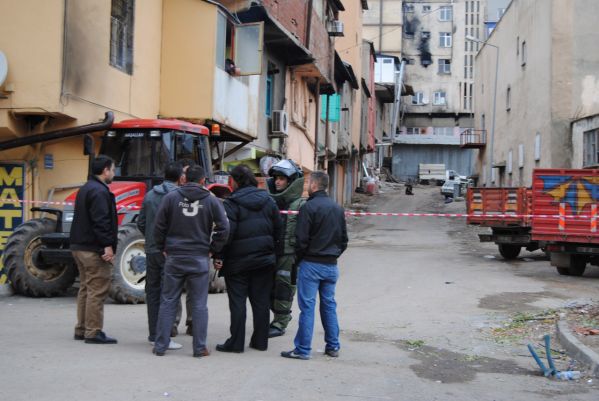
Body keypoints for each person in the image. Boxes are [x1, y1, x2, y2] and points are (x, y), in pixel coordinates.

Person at [152, 166, 229, 357]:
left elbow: (158, 226)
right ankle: (199, 347)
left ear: (184, 179)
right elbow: (224, 227)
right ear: (203, 180)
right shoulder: (211, 200)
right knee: (199, 304)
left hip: (174, 256)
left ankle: (160, 346)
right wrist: (213, 249)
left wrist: (163, 247)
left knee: (168, 300)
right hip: (199, 258)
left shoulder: (170, 198)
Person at [281, 171, 348, 360]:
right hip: (330, 265)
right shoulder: (337, 208)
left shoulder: (308, 208)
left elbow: (300, 239)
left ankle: (303, 349)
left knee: (307, 308)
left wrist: (301, 258)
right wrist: (332, 255)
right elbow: (344, 240)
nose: (306, 185)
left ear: (315, 185)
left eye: (308, 182)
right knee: (329, 305)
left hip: (311, 263)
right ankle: (333, 346)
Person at [215, 164, 282, 353]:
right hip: (264, 261)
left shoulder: (232, 203)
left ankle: (236, 343)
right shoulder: (268, 201)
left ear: (236, 181)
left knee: (238, 303)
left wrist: (220, 255)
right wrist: (274, 254)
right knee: (260, 302)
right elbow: (279, 229)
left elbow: (227, 233)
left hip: (238, 262)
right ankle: (260, 342)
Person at [137, 162, 186, 350]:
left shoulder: (149, 195)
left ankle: (153, 334)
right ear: (180, 177)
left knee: (153, 293)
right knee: (170, 295)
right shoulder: (178, 197)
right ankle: (164, 337)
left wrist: (151, 238)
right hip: (170, 251)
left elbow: (141, 222)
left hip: (151, 250)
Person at [71, 155, 119, 344]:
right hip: (93, 248)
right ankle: (93, 331)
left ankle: (81, 329)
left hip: (79, 246)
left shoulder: (85, 188)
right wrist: (107, 245)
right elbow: (101, 221)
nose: (114, 174)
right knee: (97, 290)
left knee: (85, 288)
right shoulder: (100, 191)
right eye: (113, 170)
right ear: (105, 170)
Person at [266, 159, 306, 338]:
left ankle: (280, 322)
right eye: (276, 178)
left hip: (288, 255)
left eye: (282, 178)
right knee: (268, 288)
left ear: (291, 181)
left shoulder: (300, 205)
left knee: (283, 288)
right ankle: (280, 317)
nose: (277, 182)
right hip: (270, 252)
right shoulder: (271, 202)